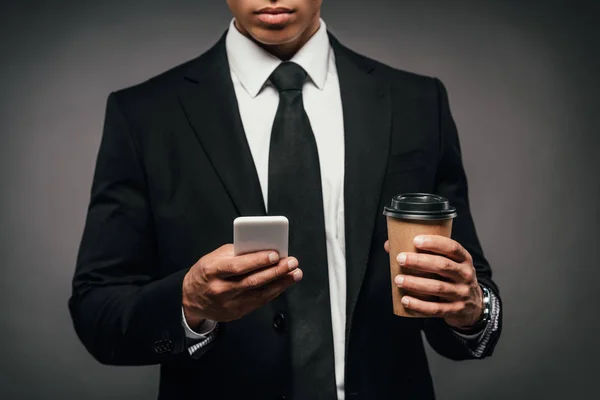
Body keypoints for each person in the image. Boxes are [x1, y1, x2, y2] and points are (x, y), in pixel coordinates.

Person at [69, 1, 502, 399]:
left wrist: (473, 311)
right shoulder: (144, 114)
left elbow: (469, 296)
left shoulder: (417, 103)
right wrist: (188, 304)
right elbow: (98, 314)